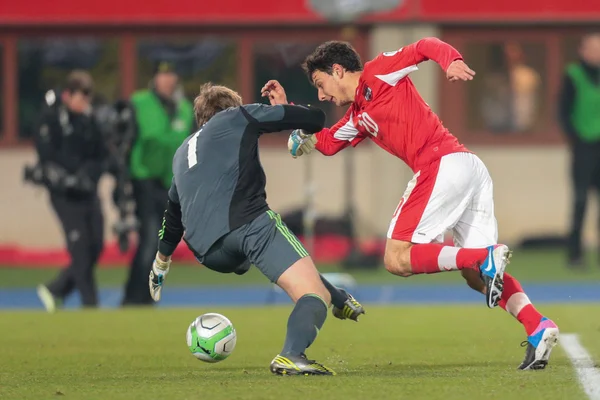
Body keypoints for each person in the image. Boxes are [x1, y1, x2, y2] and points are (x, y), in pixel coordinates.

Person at [261, 37, 559, 370]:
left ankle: (485, 257)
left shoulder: (379, 71)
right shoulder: (358, 116)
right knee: (476, 277)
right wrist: (286, 114)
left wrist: (451, 61)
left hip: (441, 164)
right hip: (467, 168)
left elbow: (425, 45)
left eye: (320, 84)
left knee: (396, 258)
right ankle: (538, 326)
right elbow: (327, 143)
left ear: (338, 69)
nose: (321, 95)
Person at [147, 83, 365, 376]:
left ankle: (338, 297)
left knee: (289, 263)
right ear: (233, 107)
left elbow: (172, 215)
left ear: (200, 119)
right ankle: (292, 354)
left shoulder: (182, 152)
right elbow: (314, 120)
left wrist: (161, 264)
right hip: (247, 224)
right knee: (312, 295)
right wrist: (283, 107)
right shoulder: (238, 116)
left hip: (209, 252)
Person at [122, 61, 195, 306]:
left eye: (171, 74)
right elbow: (123, 141)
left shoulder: (184, 108)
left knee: (161, 242)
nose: (167, 80)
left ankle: (139, 297)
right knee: (151, 240)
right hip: (143, 179)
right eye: (162, 75)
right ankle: (137, 298)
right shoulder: (139, 103)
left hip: (170, 183)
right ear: (155, 79)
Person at [34, 71, 107, 311]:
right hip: (65, 196)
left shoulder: (89, 122)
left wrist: (87, 174)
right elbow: (46, 152)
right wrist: (71, 174)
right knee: (81, 249)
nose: (85, 103)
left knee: (96, 245)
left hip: (87, 192)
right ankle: (91, 305)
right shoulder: (53, 118)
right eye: (80, 97)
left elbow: (101, 155)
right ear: (67, 95)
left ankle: (56, 289)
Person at [558, 32, 600, 269]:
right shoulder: (573, 75)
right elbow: (563, 111)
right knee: (581, 200)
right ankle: (575, 254)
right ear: (583, 51)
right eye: (593, 48)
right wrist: (575, 138)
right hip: (584, 147)